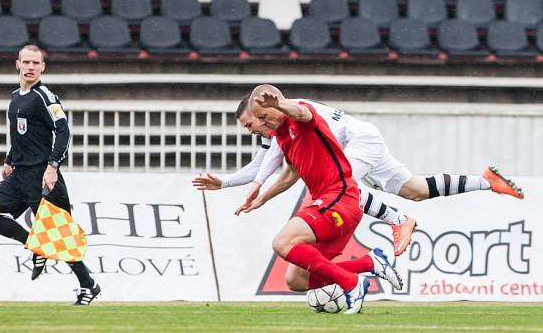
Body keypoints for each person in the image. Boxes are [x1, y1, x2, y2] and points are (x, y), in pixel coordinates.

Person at [194, 94, 524, 256]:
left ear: (259, 112)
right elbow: (263, 169)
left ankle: (397, 219)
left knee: (344, 186)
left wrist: (280, 102)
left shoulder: (286, 114)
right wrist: (225, 183)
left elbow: (297, 114)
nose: (251, 131)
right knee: (416, 189)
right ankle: (487, 181)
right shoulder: (276, 131)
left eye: (249, 124)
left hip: (358, 142)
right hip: (364, 138)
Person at [239, 84, 403, 314]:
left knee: (281, 243)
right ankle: (369, 264)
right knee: (297, 280)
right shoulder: (284, 136)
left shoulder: (300, 115)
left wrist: (279, 104)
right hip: (334, 203)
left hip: (339, 196)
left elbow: (300, 112)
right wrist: (263, 197)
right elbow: (290, 175)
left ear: (277, 105)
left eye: (264, 116)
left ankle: (352, 283)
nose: (262, 124)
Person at [0, 45, 101, 306]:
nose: (31, 67)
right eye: (27, 62)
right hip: (19, 174)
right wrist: (10, 160)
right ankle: (36, 246)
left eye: (36, 62)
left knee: (60, 236)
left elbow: (64, 132)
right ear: (17, 64)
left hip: (42, 174)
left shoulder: (44, 96)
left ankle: (89, 285)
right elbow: (21, 135)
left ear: (43, 67)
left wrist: (53, 166)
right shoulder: (16, 97)